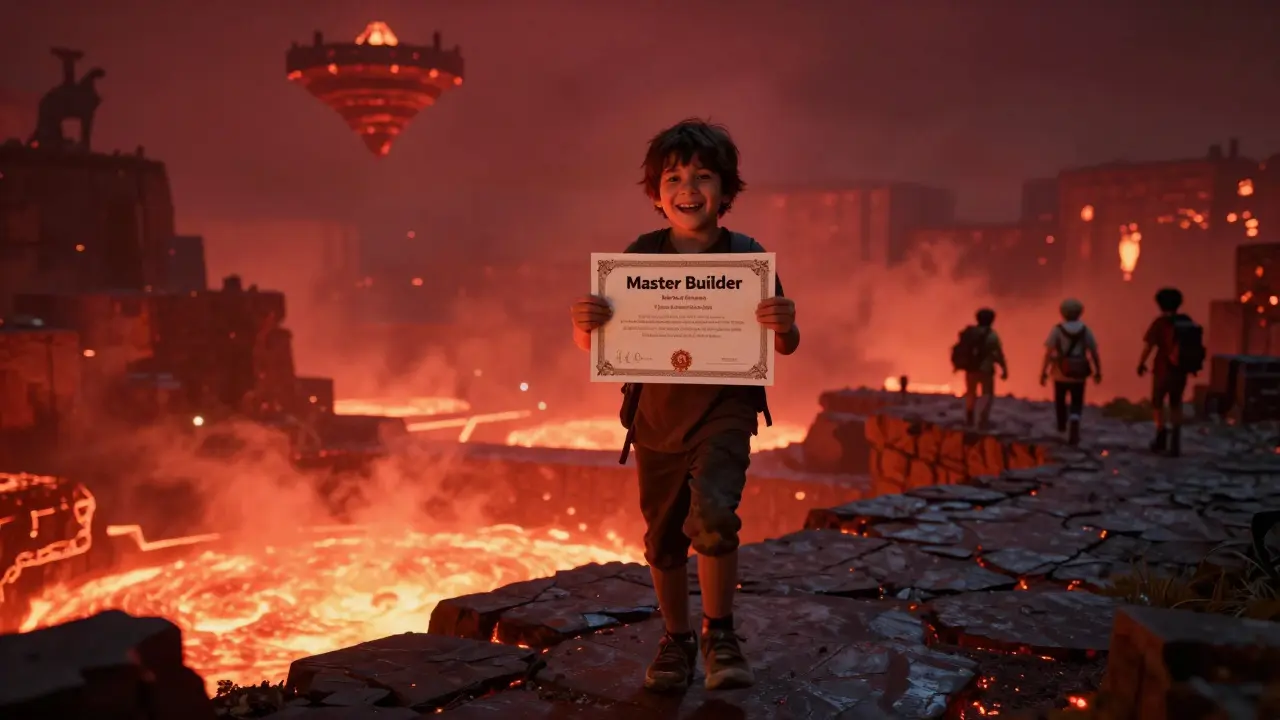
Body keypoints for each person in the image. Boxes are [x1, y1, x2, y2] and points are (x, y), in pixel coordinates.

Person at [568, 118, 800, 693]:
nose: (687, 188)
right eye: (673, 177)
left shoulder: (747, 257)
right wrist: (583, 325)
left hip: (724, 409)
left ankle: (720, 632)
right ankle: (676, 639)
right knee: (663, 536)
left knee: (715, 517)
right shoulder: (637, 257)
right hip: (655, 415)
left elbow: (785, 342)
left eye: (702, 176)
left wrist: (786, 323)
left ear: (726, 191)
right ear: (655, 193)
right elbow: (601, 343)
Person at [1138, 287, 1205, 457]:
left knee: (1158, 402)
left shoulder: (1159, 323)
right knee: (1176, 403)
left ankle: (1161, 434)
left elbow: (1149, 346)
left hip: (1162, 368)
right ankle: (1176, 440)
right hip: (1180, 370)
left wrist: (1141, 363)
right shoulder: (1187, 321)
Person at [1039, 298, 1101, 446]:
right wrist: (1098, 371)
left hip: (1060, 372)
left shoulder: (1057, 330)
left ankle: (1061, 426)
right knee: (1077, 400)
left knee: (1060, 400)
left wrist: (1043, 372)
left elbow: (1048, 352)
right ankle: (1075, 419)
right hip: (1079, 373)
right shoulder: (1086, 330)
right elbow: (1093, 352)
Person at [951, 308, 1007, 429]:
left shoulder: (970, 333)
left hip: (970, 369)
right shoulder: (992, 335)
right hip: (986, 370)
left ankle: (970, 416)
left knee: (971, 393)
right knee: (987, 394)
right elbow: (998, 354)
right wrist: (1004, 369)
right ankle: (982, 420)